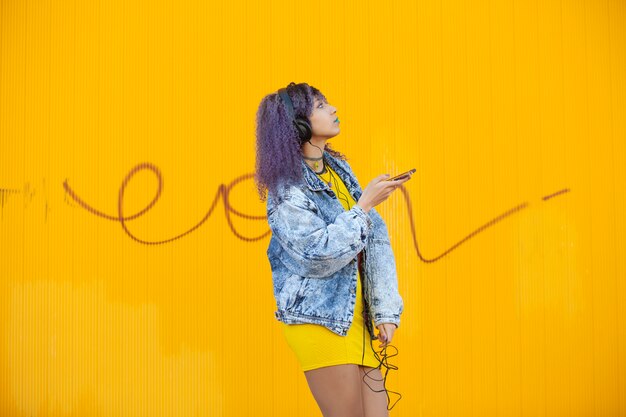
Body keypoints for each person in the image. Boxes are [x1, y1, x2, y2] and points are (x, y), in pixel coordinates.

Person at [254, 82, 411, 417]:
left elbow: (376, 240)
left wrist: (384, 309)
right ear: (297, 123)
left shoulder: (339, 172)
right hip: (319, 320)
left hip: (358, 318)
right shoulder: (286, 189)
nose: (333, 109)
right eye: (321, 105)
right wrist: (364, 206)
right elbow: (316, 254)